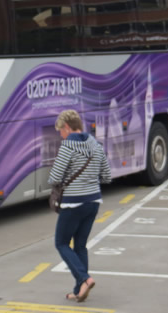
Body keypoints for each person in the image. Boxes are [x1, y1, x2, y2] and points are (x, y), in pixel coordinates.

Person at [48, 109, 112, 303]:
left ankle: (85, 278)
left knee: (61, 242)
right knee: (80, 245)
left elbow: (55, 177)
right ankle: (79, 290)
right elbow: (107, 176)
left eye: (61, 130)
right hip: (93, 202)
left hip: (73, 203)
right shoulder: (95, 144)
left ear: (67, 127)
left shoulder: (68, 146)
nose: (60, 134)